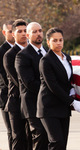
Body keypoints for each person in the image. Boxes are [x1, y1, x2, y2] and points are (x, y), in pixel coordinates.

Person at [37, 27, 80, 150]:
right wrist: (72, 102)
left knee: (63, 143)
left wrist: (73, 90)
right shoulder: (45, 61)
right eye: (55, 40)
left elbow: (67, 80)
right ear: (48, 42)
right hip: (48, 107)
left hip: (62, 107)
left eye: (60, 40)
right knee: (56, 142)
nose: (58, 43)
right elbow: (53, 86)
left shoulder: (67, 58)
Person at [15, 22, 48, 150]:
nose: (38, 34)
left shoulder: (48, 52)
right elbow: (29, 83)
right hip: (32, 105)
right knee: (40, 136)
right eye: (34, 32)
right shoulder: (22, 56)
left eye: (40, 31)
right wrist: (52, 89)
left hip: (49, 104)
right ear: (28, 35)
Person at [3, 19, 32, 150]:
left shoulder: (34, 52)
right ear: (13, 34)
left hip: (31, 103)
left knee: (32, 139)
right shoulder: (9, 55)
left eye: (25, 31)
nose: (23, 34)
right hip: (16, 103)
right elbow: (18, 80)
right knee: (19, 140)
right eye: (19, 31)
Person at [0, 20, 15, 150]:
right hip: (6, 97)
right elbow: (3, 78)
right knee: (12, 132)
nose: (13, 34)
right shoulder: (1, 51)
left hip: (21, 97)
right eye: (10, 31)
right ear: (4, 33)